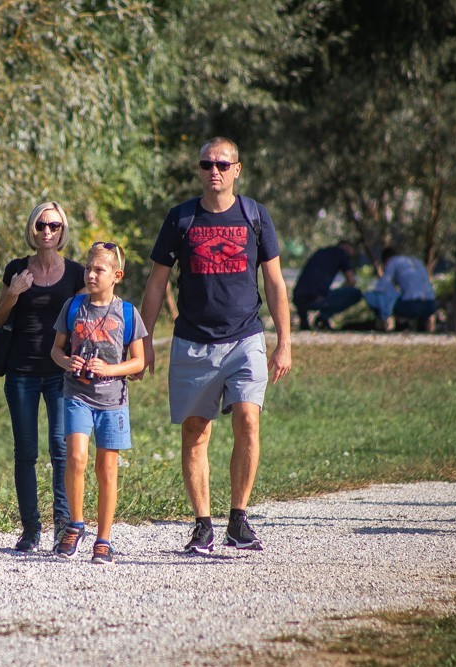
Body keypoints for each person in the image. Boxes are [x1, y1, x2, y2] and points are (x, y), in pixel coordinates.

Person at [138, 137, 292, 554]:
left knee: (248, 418)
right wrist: (144, 339)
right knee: (195, 430)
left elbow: (275, 283)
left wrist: (284, 342)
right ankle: (203, 524)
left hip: (245, 337)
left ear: (237, 170)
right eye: (207, 164)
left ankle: (238, 520)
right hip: (193, 341)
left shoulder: (254, 216)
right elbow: (156, 281)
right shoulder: (181, 218)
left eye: (223, 164)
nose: (215, 171)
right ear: (200, 170)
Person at [0, 202, 85, 552]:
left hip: (61, 373)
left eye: (54, 225)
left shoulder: (77, 273)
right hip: (21, 372)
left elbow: (83, 322)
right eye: (41, 225)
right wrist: (14, 292)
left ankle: (64, 527)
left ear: (63, 231)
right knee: (26, 452)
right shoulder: (16, 269)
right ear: (33, 230)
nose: (47, 231)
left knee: (62, 450)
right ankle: (31, 530)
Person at [50, 242, 146, 564]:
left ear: (116, 275)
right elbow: (56, 350)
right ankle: (75, 525)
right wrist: (68, 363)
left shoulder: (128, 313)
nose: (90, 274)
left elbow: (138, 362)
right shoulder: (74, 307)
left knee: (106, 469)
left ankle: (103, 539)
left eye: (99, 270)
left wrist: (110, 369)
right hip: (76, 396)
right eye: (88, 268)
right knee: (75, 457)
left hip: (113, 402)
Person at [292, 240, 362, 330]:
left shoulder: (320, 252)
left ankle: (305, 321)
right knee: (356, 293)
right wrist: (340, 292)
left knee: (307, 295)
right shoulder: (341, 253)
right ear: (346, 246)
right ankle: (323, 317)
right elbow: (352, 281)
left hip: (297, 298)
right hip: (316, 298)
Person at [364, 246, 437, 332]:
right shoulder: (416, 261)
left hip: (413, 306)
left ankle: (399, 327)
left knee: (376, 297)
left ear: (386, 261)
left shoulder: (393, 261)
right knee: (404, 299)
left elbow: (383, 286)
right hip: (431, 305)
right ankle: (421, 328)